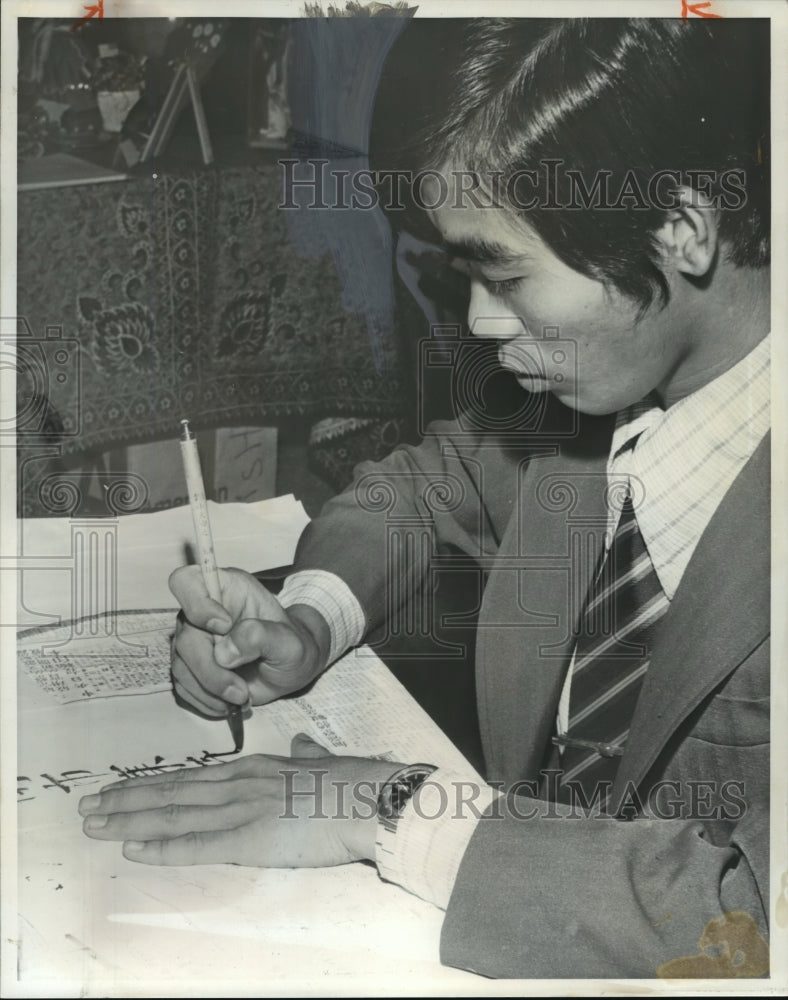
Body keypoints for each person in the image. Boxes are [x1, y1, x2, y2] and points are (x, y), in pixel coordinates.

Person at [79, 18, 771, 979]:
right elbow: (421, 487)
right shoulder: (600, 405)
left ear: (681, 229)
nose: (482, 321)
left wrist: (386, 808)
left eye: (506, 273)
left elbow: (750, 922)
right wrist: (308, 623)